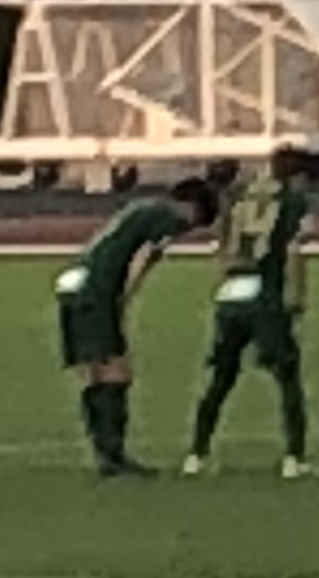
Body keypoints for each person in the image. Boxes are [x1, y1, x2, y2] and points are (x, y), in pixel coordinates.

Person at [52, 176, 215, 476]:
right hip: (98, 291)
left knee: (92, 370)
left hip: (74, 283)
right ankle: (112, 455)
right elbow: (144, 257)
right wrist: (125, 298)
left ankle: (104, 452)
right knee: (117, 372)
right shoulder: (166, 218)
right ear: (192, 207)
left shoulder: (138, 208)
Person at [189, 145, 319, 478]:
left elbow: (220, 246)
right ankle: (294, 458)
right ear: (297, 176)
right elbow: (293, 250)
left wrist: (221, 286)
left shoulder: (238, 196)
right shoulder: (291, 200)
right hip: (265, 294)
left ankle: (197, 454)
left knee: (221, 378)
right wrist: (297, 296)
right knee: (287, 376)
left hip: (232, 291)